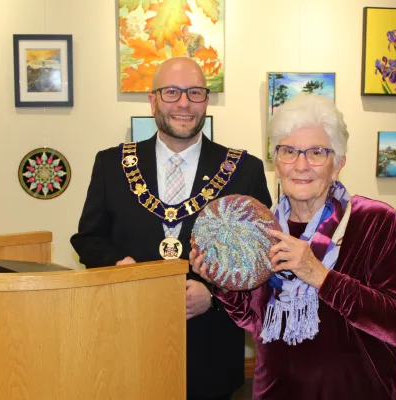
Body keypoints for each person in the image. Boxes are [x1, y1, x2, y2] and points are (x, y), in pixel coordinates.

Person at [191, 93, 396, 399]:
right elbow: (255, 321)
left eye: (316, 153)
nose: (300, 165)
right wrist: (221, 280)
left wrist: (320, 276)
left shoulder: (375, 221)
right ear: (277, 163)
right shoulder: (261, 227)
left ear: (337, 164)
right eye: (288, 151)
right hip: (275, 389)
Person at [70, 57, 272, 400]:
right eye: (171, 92)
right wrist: (121, 267)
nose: (183, 103)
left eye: (195, 93)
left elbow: (260, 258)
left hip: (212, 350)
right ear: (152, 101)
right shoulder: (112, 164)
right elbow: (88, 239)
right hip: (129, 341)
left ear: (206, 101)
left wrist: (216, 297)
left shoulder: (244, 169)